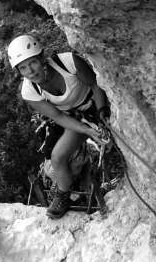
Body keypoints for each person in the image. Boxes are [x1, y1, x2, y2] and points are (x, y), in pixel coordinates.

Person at [7, 34, 113, 218]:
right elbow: (58, 116)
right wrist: (88, 130)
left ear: (41, 58)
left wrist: (102, 112)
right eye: (23, 68)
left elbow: (96, 86)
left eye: (32, 63)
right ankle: (64, 195)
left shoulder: (69, 62)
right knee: (57, 157)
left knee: (115, 140)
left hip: (98, 104)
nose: (30, 71)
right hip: (74, 118)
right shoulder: (29, 90)